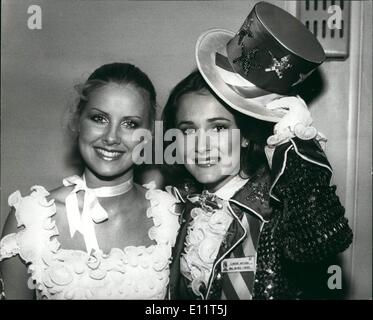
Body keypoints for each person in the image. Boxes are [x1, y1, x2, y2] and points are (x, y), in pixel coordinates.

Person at [163, 2, 353, 300]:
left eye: (218, 128)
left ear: (244, 137)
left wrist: (296, 143)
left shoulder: (275, 208)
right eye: (188, 130)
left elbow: (323, 240)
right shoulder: (175, 206)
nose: (200, 145)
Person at [0, 62, 180, 299]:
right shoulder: (31, 218)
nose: (111, 137)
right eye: (99, 118)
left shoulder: (169, 214)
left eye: (130, 124)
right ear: (78, 121)